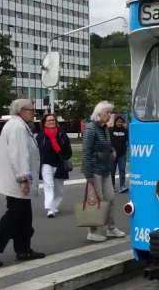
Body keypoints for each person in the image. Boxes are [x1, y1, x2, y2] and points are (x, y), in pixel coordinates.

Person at [0, 99, 45, 267]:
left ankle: (23, 249)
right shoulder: (17, 127)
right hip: (17, 180)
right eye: (31, 109)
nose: (34, 112)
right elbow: (19, 154)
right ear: (20, 110)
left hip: (16, 178)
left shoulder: (18, 125)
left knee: (24, 216)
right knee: (14, 215)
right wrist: (23, 178)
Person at [82, 101, 126, 242]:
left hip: (105, 169)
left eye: (110, 113)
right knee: (95, 200)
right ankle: (92, 230)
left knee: (110, 198)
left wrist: (111, 150)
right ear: (98, 113)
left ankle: (111, 228)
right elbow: (86, 152)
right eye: (107, 113)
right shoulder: (90, 129)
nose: (109, 115)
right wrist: (88, 174)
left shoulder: (104, 128)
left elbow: (106, 144)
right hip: (95, 170)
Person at [37, 112, 72, 218]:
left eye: (52, 120)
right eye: (48, 120)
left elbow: (67, 148)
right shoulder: (41, 135)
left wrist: (66, 155)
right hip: (46, 163)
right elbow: (38, 149)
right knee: (49, 186)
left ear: (56, 122)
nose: (51, 122)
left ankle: (55, 205)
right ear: (44, 123)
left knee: (59, 188)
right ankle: (50, 209)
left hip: (60, 163)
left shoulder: (61, 133)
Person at [110, 115, 129, 193]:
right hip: (112, 154)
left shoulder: (124, 130)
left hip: (122, 154)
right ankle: (112, 186)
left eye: (121, 122)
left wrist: (127, 128)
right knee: (112, 170)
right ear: (115, 122)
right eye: (118, 122)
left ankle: (122, 186)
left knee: (122, 170)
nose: (119, 123)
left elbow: (128, 138)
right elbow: (108, 140)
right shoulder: (110, 130)